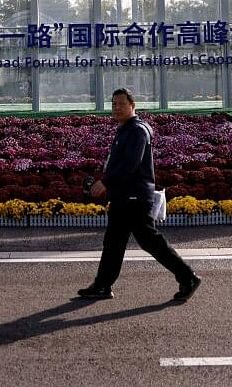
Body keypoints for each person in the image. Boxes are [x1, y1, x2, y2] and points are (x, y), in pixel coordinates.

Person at [77, 88, 201, 303]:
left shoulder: (137, 131)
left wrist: (105, 182)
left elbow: (131, 163)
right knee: (115, 242)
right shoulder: (126, 129)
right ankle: (102, 285)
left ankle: (188, 277)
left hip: (133, 197)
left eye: (121, 104)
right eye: (114, 104)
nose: (116, 108)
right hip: (123, 196)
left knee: (150, 241)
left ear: (133, 106)